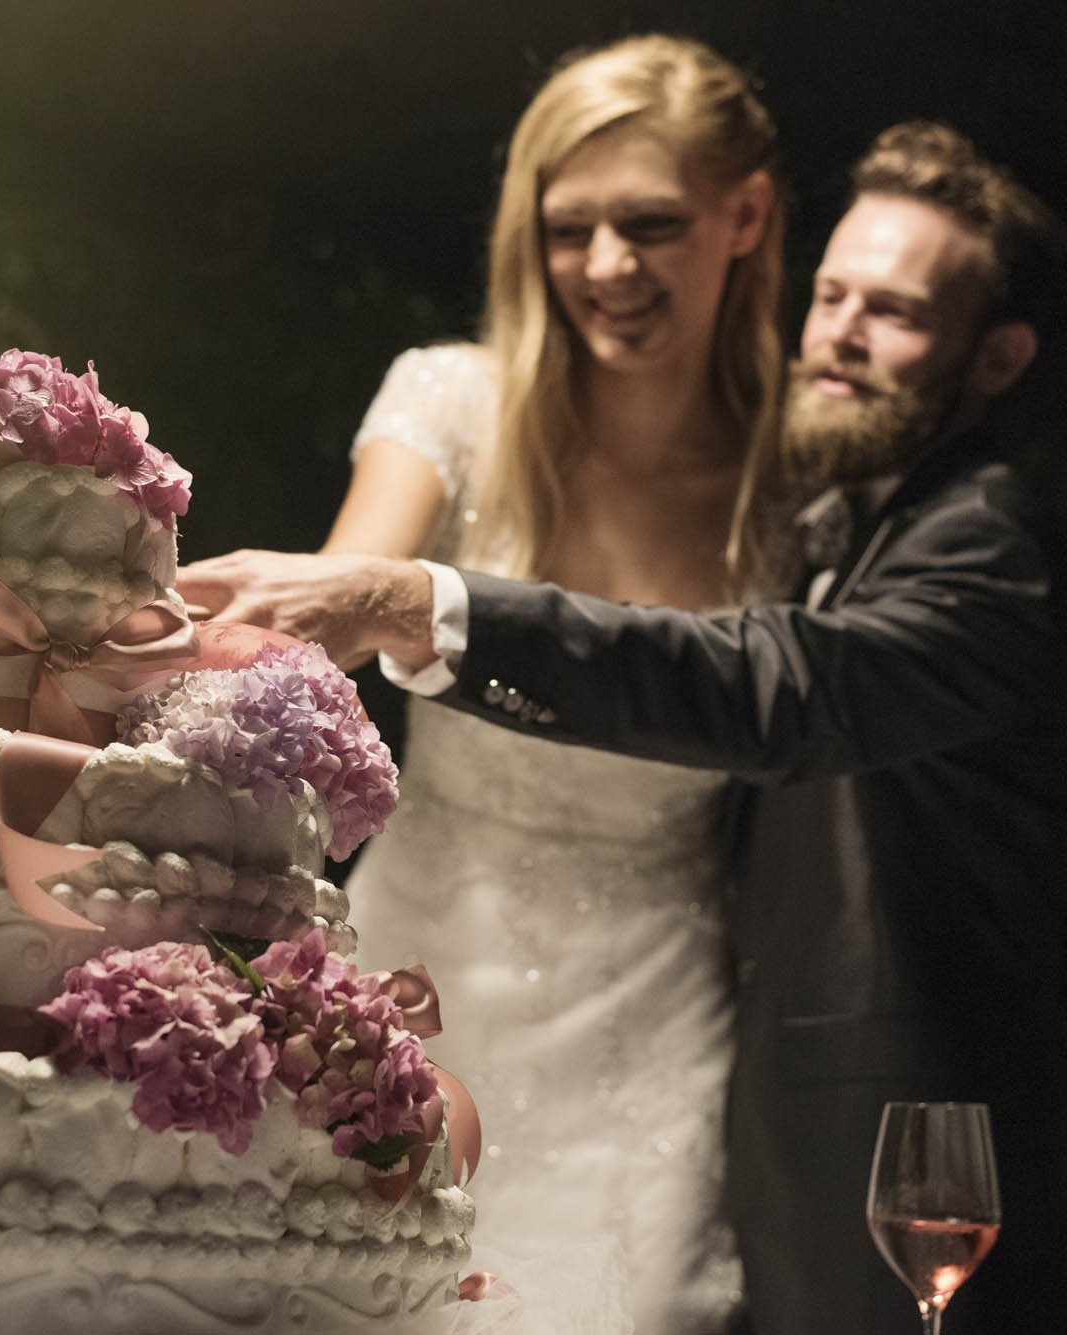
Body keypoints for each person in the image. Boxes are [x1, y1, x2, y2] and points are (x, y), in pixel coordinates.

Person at [181, 121, 1067, 1334]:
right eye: (829, 294)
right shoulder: (820, 500)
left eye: (891, 311)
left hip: (903, 1155)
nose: (836, 334)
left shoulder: (991, 550)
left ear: (995, 359)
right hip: (553, 1015)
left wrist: (428, 602)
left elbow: (774, 686)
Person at [280, 33, 786, 1335]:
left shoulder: (797, 486)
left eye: (652, 224)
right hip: (416, 974)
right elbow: (337, 597)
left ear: (748, 217)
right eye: (571, 230)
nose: (607, 267)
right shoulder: (451, 398)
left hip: (655, 1020)